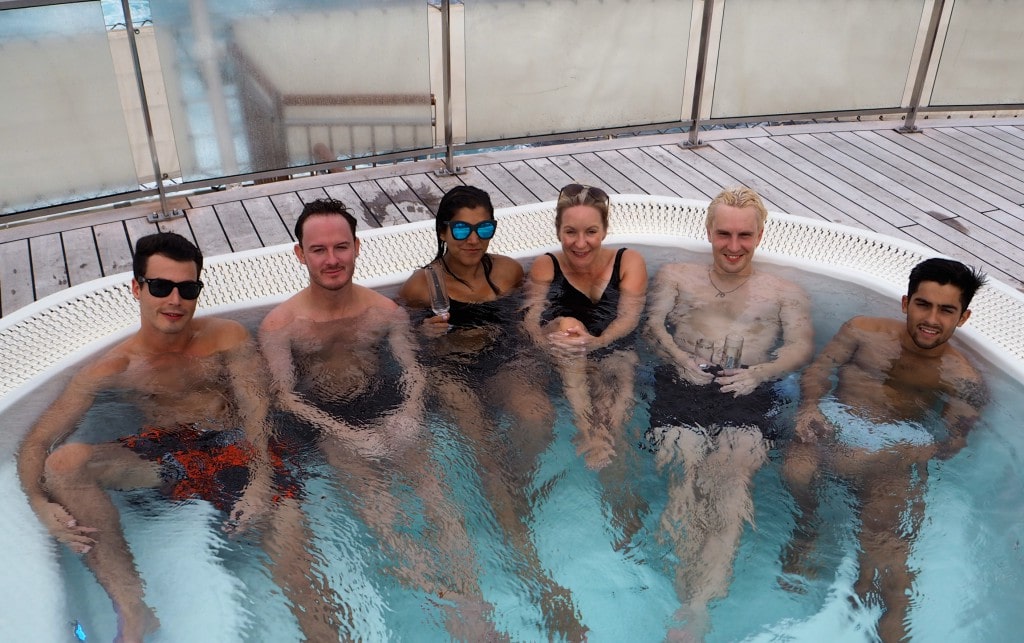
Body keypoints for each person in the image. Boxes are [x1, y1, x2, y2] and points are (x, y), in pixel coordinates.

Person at [16, 232, 341, 643]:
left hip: (237, 447)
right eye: (160, 286)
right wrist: (40, 504)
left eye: (187, 289)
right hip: (170, 454)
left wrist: (261, 481)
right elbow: (36, 443)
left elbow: (258, 412)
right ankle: (133, 610)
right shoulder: (116, 367)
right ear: (137, 288)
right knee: (63, 464)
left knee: (303, 577)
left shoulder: (226, 339)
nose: (175, 300)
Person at [258, 197, 497, 639]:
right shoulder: (281, 325)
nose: (332, 260)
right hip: (327, 419)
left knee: (436, 495)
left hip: (386, 403)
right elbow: (287, 399)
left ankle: (471, 599)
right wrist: (346, 435)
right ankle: (439, 598)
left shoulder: (384, 313)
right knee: (380, 508)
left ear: (357, 247)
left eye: (341, 247)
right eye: (319, 249)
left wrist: (408, 413)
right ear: (300, 254)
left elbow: (412, 372)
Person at [397, 185, 584, 639]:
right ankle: (535, 575)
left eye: (484, 227)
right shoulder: (423, 285)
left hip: (502, 365)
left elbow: (526, 320)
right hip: (453, 374)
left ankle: (509, 483)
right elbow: (403, 347)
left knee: (538, 418)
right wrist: (425, 334)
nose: (473, 238)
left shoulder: (506, 271)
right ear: (443, 231)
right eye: (461, 227)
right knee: (484, 452)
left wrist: (556, 326)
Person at [782, 257, 987, 642]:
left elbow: (948, 446)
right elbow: (819, 370)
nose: (932, 319)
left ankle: (890, 621)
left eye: (946, 310)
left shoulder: (964, 380)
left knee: (886, 553)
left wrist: (891, 454)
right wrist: (809, 408)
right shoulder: (862, 331)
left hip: (892, 457)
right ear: (906, 302)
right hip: (833, 431)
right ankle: (807, 529)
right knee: (796, 468)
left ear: (963, 317)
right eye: (924, 304)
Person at [644, 186, 814, 638]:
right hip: (684, 383)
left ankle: (700, 603)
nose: (733, 247)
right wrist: (680, 359)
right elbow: (653, 326)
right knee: (685, 471)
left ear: (760, 234)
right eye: (724, 234)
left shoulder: (783, 292)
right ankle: (684, 595)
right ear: (708, 231)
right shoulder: (676, 276)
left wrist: (761, 373)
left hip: (750, 388)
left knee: (731, 480)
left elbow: (800, 346)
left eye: (744, 236)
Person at [524, 183, 648, 471]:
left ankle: (608, 441)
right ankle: (585, 426)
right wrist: (554, 342)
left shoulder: (629, 261)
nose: (580, 244)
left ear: (604, 231)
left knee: (618, 390)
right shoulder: (546, 265)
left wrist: (596, 342)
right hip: (562, 351)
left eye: (590, 232)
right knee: (569, 327)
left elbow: (628, 320)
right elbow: (530, 323)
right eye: (571, 232)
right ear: (558, 232)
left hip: (612, 350)